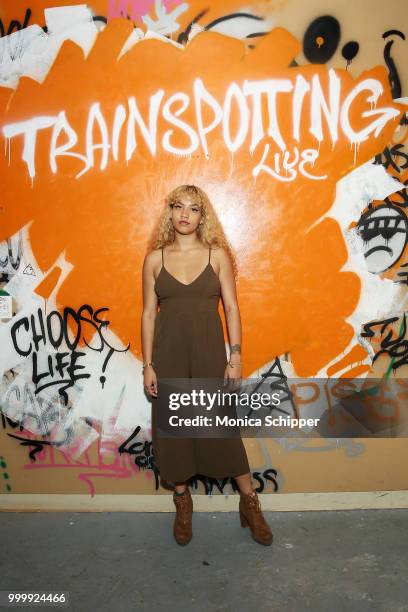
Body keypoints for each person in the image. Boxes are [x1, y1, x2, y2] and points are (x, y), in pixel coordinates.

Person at [141, 184, 273, 547]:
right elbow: (148, 315)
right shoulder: (155, 260)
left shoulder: (217, 256)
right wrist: (148, 364)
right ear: (170, 211)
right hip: (167, 356)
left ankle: (250, 504)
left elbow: (231, 308)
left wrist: (236, 356)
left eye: (194, 208)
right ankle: (183, 504)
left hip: (209, 354)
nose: (185, 214)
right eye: (178, 206)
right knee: (175, 432)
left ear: (203, 215)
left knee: (222, 431)